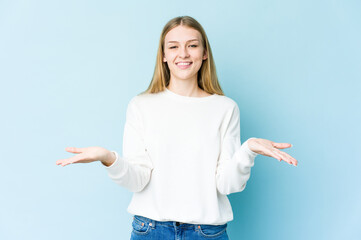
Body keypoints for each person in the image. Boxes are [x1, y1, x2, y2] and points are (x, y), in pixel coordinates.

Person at [56, 15, 298, 240]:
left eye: (192, 45)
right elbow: (137, 179)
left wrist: (248, 151)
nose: (183, 53)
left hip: (207, 233)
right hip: (149, 230)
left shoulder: (225, 108)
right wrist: (108, 158)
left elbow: (227, 184)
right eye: (173, 46)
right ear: (163, 55)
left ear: (204, 53)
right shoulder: (141, 105)